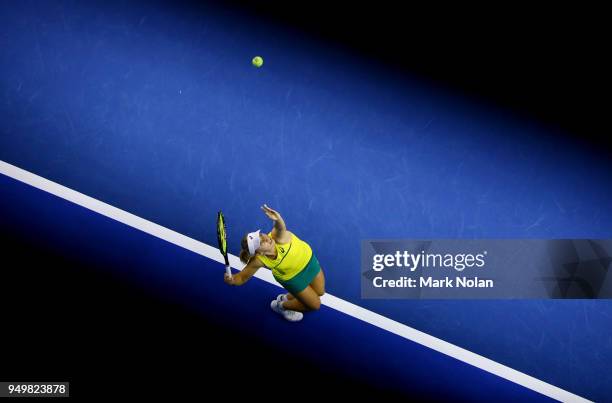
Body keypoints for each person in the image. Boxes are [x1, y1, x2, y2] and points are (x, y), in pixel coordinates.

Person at [224, 204, 325, 322]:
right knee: (315, 305)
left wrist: (278, 219)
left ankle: (286, 298)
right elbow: (242, 278)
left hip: (308, 261)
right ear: (258, 253)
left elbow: (280, 228)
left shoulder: (277, 237)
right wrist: (232, 280)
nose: (267, 238)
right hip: (292, 278)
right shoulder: (259, 260)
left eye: (262, 235)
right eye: (261, 243)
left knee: (320, 292)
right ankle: (281, 306)